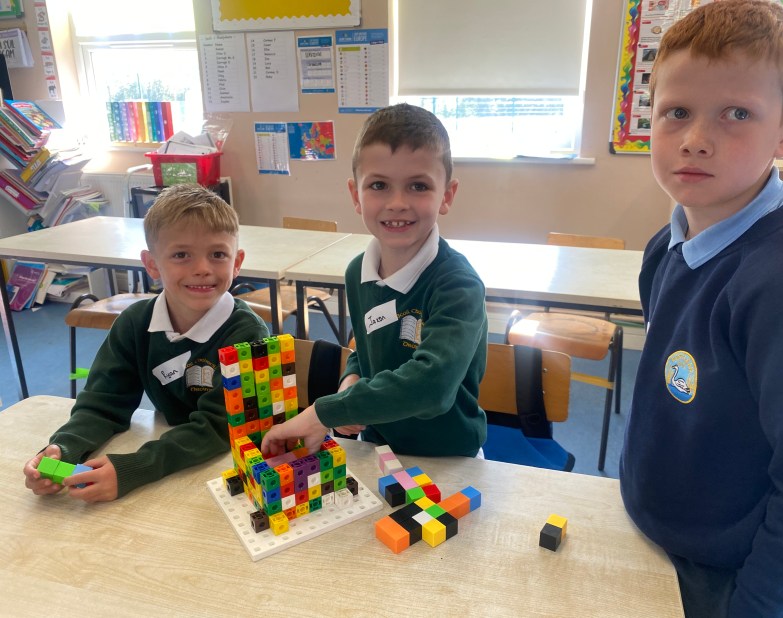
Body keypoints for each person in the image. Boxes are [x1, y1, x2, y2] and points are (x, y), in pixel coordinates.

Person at [620, 2, 783, 617]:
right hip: (653, 531)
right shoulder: (666, 245)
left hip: (729, 573)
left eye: (737, 114)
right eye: (677, 112)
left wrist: (756, 607)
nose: (696, 140)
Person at [262, 103, 487, 458]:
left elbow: (433, 388)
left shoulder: (458, 285)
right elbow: (368, 344)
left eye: (418, 186)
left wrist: (325, 412)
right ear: (356, 195)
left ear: (446, 195)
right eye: (379, 185)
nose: (397, 203)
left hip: (447, 454)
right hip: (376, 446)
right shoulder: (359, 271)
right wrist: (351, 377)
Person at [23, 183, 269, 502]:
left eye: (218, 254)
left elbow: (220, 427)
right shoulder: (135, 323)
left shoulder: (248, 335)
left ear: (236, 263)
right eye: (181, 255)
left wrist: (136, 467)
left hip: (226, 472)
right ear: (152, 264)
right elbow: (103, 402)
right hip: (178, 464)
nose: (202, 269)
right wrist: (64, 447)